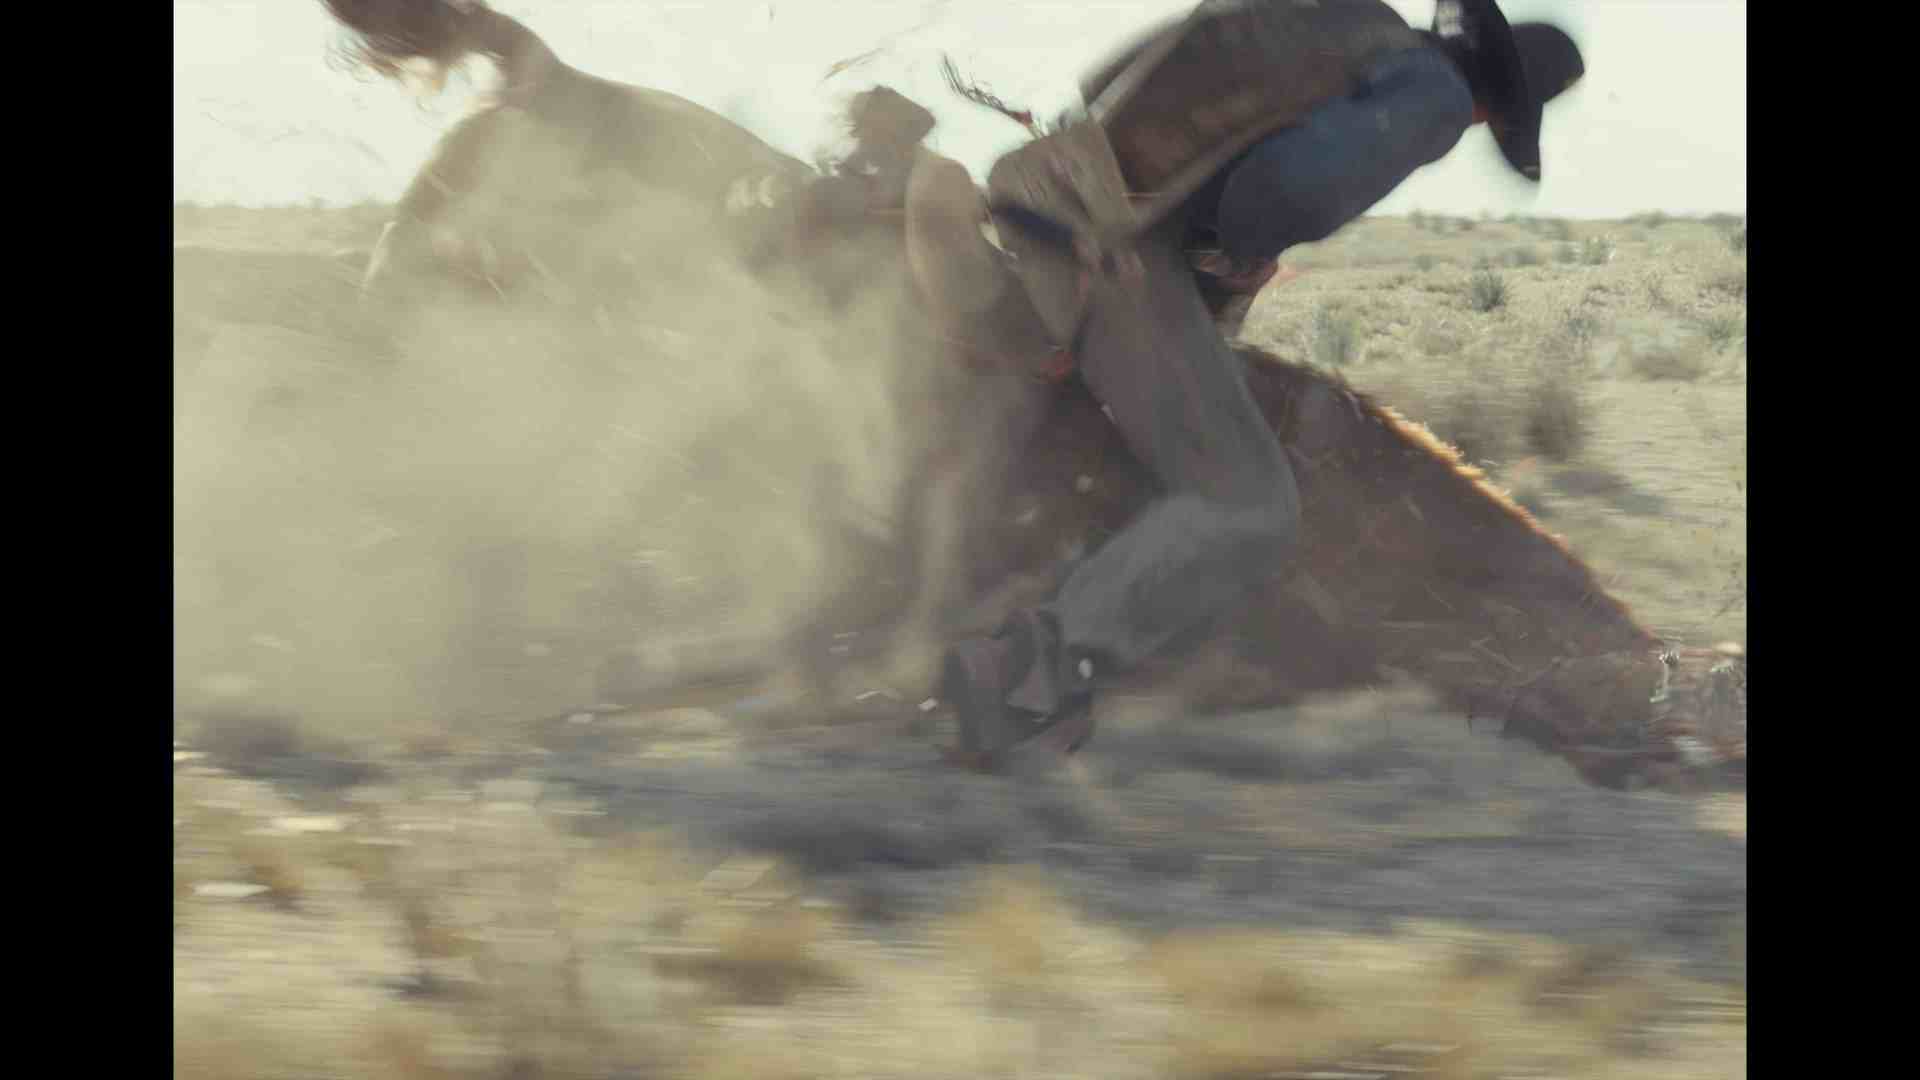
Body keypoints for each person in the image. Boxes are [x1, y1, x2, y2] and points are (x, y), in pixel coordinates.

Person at [932, 0, 1586, 769]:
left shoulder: (1347, 22)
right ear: (1497, 108)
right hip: (1101, 247)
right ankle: (1028, 677)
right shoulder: (1433, 97)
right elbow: (1283, 197)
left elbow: (1109, 77)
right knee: (1246, 501)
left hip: (1042, 187)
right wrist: (1240, 253)